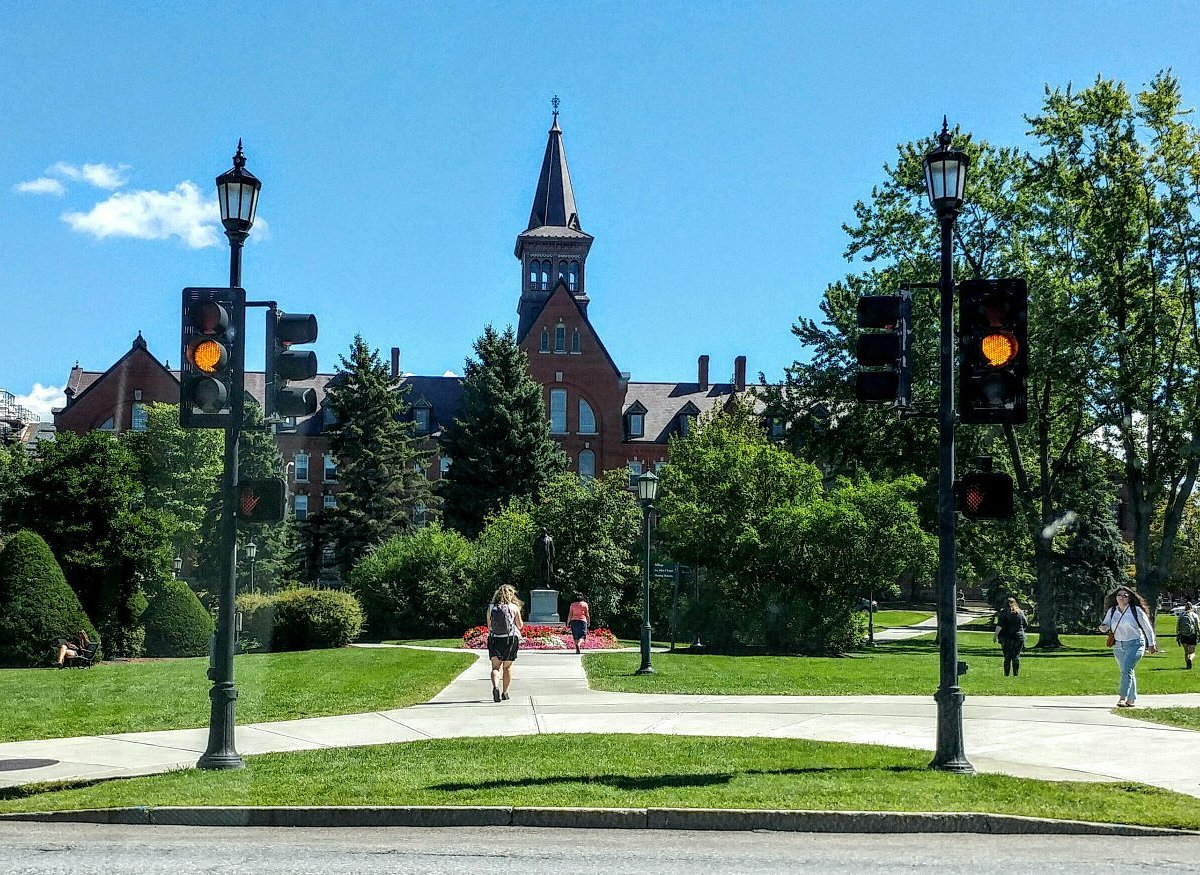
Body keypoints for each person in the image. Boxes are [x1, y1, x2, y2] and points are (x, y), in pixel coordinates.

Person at [1099, 586, 1158, 708]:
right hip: (1119, 645)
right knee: (1127, 671)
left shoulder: (1136, 611)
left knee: (1127, 670)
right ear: (1115, 598)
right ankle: (1131, 699)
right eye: (1119, 595)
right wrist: (1103, 628)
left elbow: (1147, 628)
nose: (1122, 597)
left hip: (1136, 644)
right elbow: (1106, 624)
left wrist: (1151, 644)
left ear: (1129, 598)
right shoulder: (1112, 611)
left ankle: (1122, 697)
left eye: (1125, 595)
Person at [487, 584, 524, 702]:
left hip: (495, 639)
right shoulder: (513, 607)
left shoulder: (491, 607)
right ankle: (505, 692)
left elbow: (489, 626)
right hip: (510, 639)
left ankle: (495, 686)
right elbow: (520, 625)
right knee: (507, 667)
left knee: (495, 667)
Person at [994, 597, 1028, 677]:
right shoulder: (1020, 612)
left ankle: (1006, 674)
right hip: (1018, 637)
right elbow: (1025, 624)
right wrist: (1020, 630)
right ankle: (1015, 674)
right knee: (1016, 656)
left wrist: (995, 635)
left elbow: (999, 625)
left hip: (1006, 637)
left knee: (1007, 657)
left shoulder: (1004, 613)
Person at [1176, 601, 1199, 670]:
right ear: (1192, 607)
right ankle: (1190, 659)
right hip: (1192, 634)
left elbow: (1178, 626)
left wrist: (1177, 634)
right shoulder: (1194, 615)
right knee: (1192, 652)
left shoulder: (1181, 615)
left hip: (1183, 635)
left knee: (1186, 651)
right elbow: (1198, 625)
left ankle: (1187, 665)